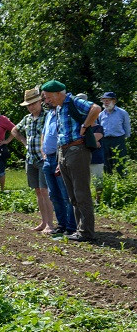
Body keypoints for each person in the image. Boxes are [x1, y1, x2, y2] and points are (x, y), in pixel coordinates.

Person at [42, 80, 101, 242]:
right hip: (64, 151)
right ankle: (78, 229)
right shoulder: (59, 108)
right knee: (72, 195)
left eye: (48, 97)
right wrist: (60, 158)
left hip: (77, 150)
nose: (47, 101)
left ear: (57, 93)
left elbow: (96, 108)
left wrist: (85, 125)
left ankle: (87, 232)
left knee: (81, 193)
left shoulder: (73, 101)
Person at [11, 87, 54, 234]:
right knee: (37, 191)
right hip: (30, 159)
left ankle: (50, 223)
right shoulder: (27, 119)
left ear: (40, 102)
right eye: (28, 105)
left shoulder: (48, 116)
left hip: (44, 158)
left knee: (44, 190)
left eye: (33, 103)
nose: (31, 107)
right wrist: (24, 142)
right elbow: (14, 130)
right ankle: (43, 221)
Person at [40, 94, 76, 236]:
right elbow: (44, 133)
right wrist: (43, 152)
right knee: (53, 194)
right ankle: (61, 224)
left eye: (48, 99)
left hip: (59, 156)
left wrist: (60, 157)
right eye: (45, 100)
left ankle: (71, 226)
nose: (46, 102)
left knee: (65, 193)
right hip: (48, 158)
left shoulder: (63, 113)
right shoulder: (49, 114)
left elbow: (63, 135)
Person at [98, 91, 130, 175]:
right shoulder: (101, 114)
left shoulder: (122, 113)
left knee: (120, 162)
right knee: (106, 163)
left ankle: (123, 182)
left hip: (118, 139)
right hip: (105, 140)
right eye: (104, 100)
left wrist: (124, 139)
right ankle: (109, 182)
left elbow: (126, 126)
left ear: (114, 101)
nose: (106, 102)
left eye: (108, 100)